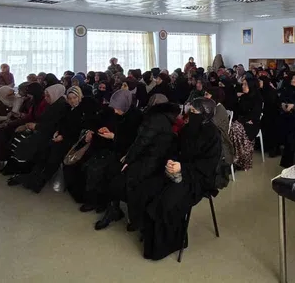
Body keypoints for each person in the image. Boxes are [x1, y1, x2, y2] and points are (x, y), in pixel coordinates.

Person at [141, 97, 221, 260]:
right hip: (179, 171)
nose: (190, 114)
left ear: (205, 115)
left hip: (198, 179)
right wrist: (171, 161)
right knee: (150, 188)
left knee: (167, 201)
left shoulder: (213, 134)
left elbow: (208, 165)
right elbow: (177, 149)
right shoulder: (188, 129)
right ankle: (152, 238)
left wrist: (182, 168)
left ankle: (171, 243)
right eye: (190, 111)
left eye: (194, 112)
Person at [101, 94, 180, 232]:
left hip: (149, 163)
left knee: (118, 177)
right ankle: (124, 214)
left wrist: (129, 159)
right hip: (159, 162)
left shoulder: (154, 119)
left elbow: (141, 142)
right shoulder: (168, 118)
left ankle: (129, 217)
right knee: (118, 173)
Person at [73, 88, 142, 214]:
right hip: (104, 146)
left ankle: (101, 202)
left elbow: (134, 140)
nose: (115, 111)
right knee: (87, 165)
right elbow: (96, 121)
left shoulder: (136, 117)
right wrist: (97, 129)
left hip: (122, 152)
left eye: (118, 108)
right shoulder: (110, 111)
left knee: (101, 170)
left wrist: (114, 137)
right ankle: (93, 199)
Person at [15, 86, 92, 193]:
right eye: (70, 98)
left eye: (74, 98)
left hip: (73, 141)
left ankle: (40, 181)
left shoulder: (82, 111)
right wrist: (58, 132)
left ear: (79, 97)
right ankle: (35, 176)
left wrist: (62, 136)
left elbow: (77, 130)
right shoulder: (69, 109)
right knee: (45, 150)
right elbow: (61, 123)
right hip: (62, 137)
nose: (72, 100)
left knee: (55, 153)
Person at [0, 82, 45, 162]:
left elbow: (32, 117)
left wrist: (17, 119)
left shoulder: (38, 102)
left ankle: (1, 156)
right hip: (20, 120)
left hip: (28, 123)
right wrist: (11, 119)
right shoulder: (31, 101)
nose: (27, 95)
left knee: (0, 132)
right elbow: (26, 115)